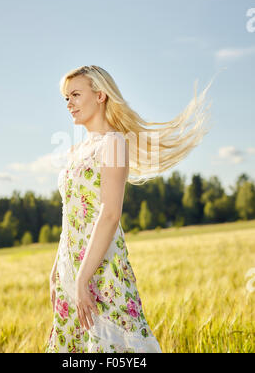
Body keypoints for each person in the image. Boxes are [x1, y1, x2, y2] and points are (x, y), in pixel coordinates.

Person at [45, 64, 217, 353]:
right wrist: (56, 271)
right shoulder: (74, 151)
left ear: (100, 95)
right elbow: (69, 215)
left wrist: (84, 277)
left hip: (102, 269)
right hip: (70, 268)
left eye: (75, 94)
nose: (69, 104)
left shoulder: (113, 144)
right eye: (66, 98)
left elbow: (110, 214)